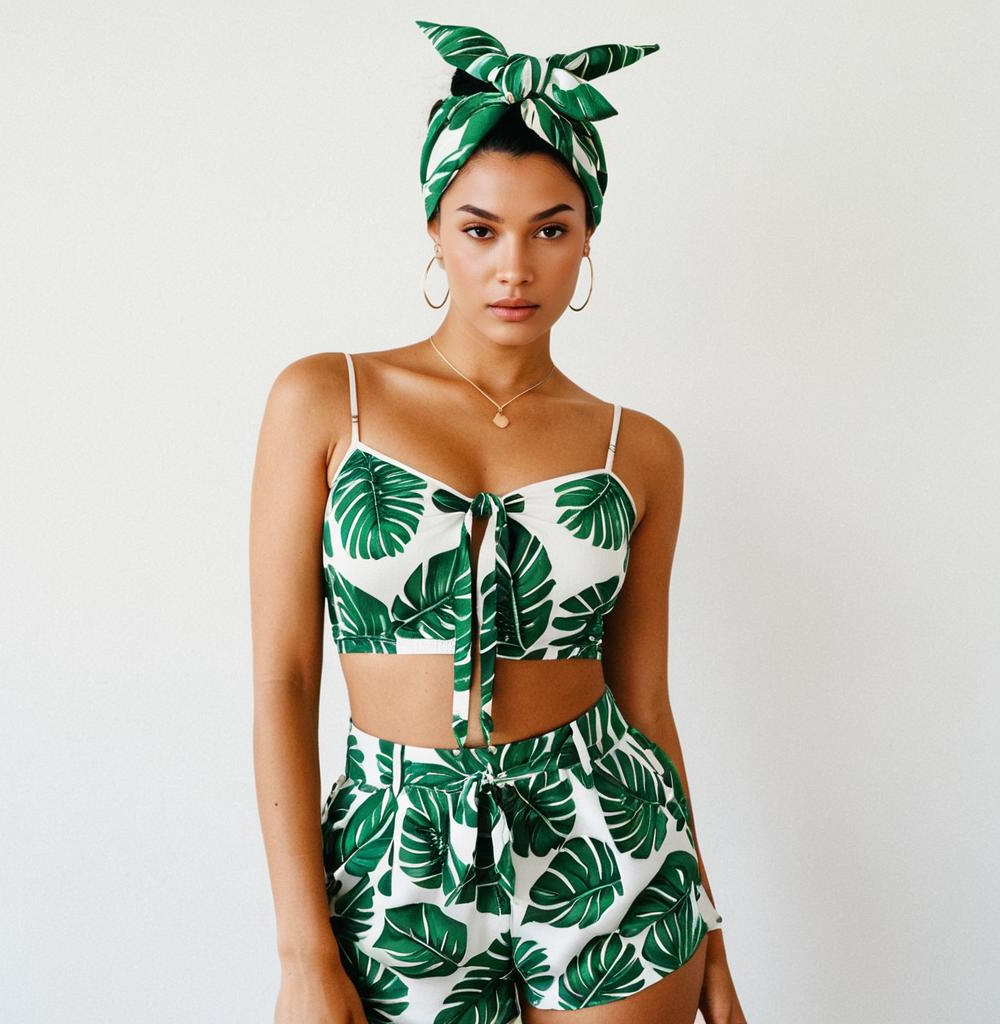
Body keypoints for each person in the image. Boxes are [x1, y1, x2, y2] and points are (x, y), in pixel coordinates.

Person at [251, 19, 747, 1024]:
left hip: (612, 846)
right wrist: (306, 955)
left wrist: (711, 932)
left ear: (587, 239)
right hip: (395, 858)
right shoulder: (325, 399)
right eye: (480, 229)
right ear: (435, 229)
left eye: (549, 229)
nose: (513, 266)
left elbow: (643, 698)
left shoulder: (637, 449)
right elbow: (283, 678)